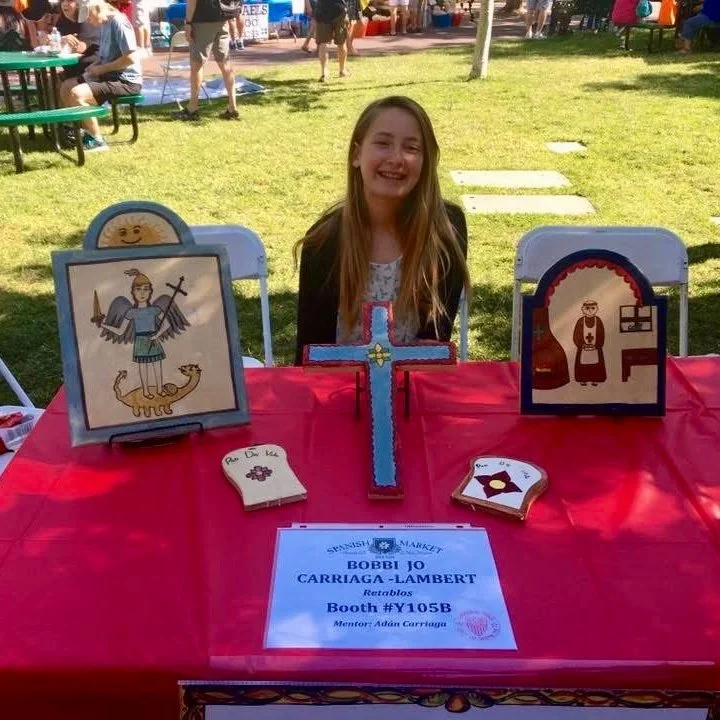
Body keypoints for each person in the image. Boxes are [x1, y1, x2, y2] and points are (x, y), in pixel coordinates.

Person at [294, 95, 470, 364]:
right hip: (338, 393)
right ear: (356, 155)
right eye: (383, 143)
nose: (397, 158)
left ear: (426, 163)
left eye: (411, 148)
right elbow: (309, 356)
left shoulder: (445, 230)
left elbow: (435, 342)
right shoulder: (323, 241)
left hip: (414, 391)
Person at [60, 0, 142, 152]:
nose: (88, 21)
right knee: (66, 86)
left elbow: (130, 57)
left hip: (125, 80)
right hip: (109, 75)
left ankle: (97, 140)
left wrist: (103, 68)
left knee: (77, 94)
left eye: (89, 16)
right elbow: (106, 54)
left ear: (97, 8)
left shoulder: (118, 22)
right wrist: (96, 65)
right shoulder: (104, 24)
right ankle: (80, 130)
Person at [173, 0, 240, 120]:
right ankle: (233, 106)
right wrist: (231, 19)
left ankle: (192, 108)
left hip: (202, 20)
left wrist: (188, 22)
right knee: (225, 62)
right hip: (222, 17)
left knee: (197, 63)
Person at [55, 0, 101, 79]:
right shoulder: (62, 21)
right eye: (62, 0)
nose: (65, 4)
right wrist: (56, 40)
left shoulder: (88, 20)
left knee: (65, 85)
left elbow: (80, 48)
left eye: (70, 0)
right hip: (73, 69)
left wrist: (62, 42)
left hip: (93, 69)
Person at [313, 0, 348, 82]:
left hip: (322, 11)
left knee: (323, 43)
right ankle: (342, 70)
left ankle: (324, 72)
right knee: (341, 42)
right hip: (338, 10)